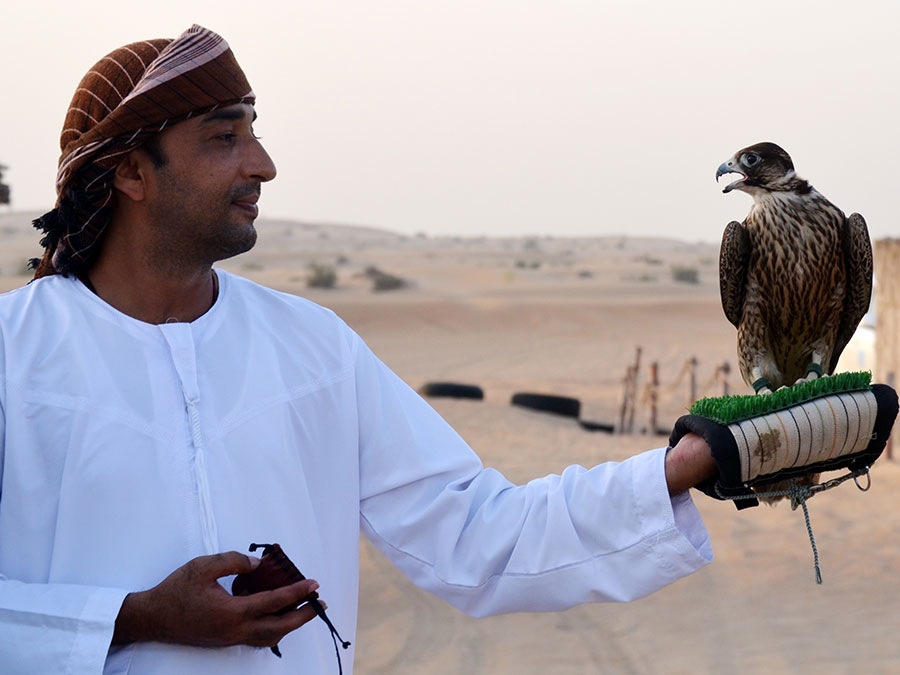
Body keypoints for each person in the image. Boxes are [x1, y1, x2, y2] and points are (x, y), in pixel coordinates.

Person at [0, 25, 716, 675]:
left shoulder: (312, 346)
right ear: (131, 174)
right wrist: (132, 619)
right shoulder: (13, 355)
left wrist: (674, 471)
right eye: (225, 138)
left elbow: (474, 531)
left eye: (254, 130)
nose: (264, 163)